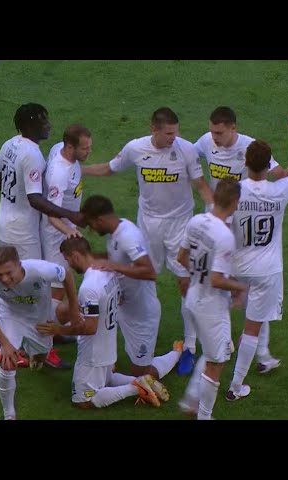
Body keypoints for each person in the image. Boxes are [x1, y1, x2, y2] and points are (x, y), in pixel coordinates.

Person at [82, 107, 214, 376]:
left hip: (179, 227)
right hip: (148, 227)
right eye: (168, 134)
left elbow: (201, 185)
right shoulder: (135, 149)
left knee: (185, 283)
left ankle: (189, 345)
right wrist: (78, 169)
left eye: (175, 133)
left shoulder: (186, 150)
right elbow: (109, 168)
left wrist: (215, 213)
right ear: (153, 129)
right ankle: (138, 332)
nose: (173, 138)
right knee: (143, 279)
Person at [224, 120, 288, 402]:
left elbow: (221, 227)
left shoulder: (233, 191)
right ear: (267, 165)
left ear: (245, 162)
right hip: (267, 271)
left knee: (228, 314)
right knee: (253, 327)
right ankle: (235, 386)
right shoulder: (279, 190)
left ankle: (242, 355)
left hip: (238, 267)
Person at [0, 103, 79, 368]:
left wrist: (13, 197)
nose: (48, 125)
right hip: (22, 233)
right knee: (34, 287)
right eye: (43, 121)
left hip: (4, 222)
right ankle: (39, 349)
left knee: (9, 283)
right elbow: (35, 198)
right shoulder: (33, 155)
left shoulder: (11, 144)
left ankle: (8, 343)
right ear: (30, 124)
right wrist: (68, 214)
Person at [38, 237, 168, 409]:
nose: (69, 265)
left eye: (68, 260)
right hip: (108, 346)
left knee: (83, 400)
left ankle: (136, 388)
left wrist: (58, 329)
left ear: (75, 255)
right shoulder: (108, 271)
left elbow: (90, 328)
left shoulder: (88, 287)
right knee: (106, 379)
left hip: (92, 354)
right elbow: (118, 299)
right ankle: (143, 380)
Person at [80, 194, 183, 382]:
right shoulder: (116, 231)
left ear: (100, 220)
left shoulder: (128, 236)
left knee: (141, 375)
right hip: (123, 306)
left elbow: (149, 272)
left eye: (91, 225)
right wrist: (87, 257)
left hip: (142, 315)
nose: (92, 230)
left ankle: (175, 354)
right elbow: (114, 257)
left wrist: (114, 266)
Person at [0, 246, 80, 420]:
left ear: (19, 265)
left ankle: (36, 357)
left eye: (8, 273)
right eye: (0, 274)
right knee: (7, 362)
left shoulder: (40, 270)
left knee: (41, 355)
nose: (4, 279)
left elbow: (66, 275)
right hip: (11, 316)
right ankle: (9, 414)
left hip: (39, 319)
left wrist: (74, 309)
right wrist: (5, 343)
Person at [176, 178, 246, 420]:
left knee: (214, 351)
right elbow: (216, 280)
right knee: (216, 361)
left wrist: (198, 274)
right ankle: (203, 416)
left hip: (193, 297)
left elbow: (181, 257)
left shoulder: (196, 221)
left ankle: (190, 402)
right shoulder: (224, 236)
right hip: (211, 306)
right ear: (234, 201)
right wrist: (240, 286)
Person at [39, 124, 92, 343]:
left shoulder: (59, 149)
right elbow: (51, 214)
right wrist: (71, 232)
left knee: (62, 284)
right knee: (57, 288)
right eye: (85, 148)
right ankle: (46, 337)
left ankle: (53, 330)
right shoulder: (59, 174)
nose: (88, 152)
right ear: (70, 147)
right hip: (56, 236)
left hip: (65, 229)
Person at [194, 106, 288, 199]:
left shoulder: (251, 147)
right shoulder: (206, 141)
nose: (214, 137)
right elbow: (188, 153)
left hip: (242, 207)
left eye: (219, 133)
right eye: (212, 132)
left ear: (233, 128)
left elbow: (280, 175)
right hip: (216, 208)